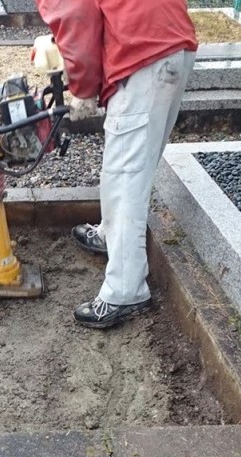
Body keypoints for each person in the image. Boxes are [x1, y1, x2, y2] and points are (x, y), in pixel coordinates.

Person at [35, 0, 198, 329]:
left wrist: (82, 89)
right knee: (131, 167)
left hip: (143, 54)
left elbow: (75, 15)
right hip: (170, 45)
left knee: (125, 179)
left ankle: (126, 289)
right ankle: (110, 234)